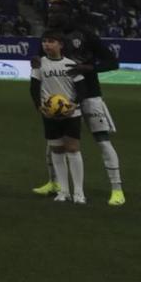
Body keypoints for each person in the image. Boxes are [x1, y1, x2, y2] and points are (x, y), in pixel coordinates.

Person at [37, 0, 123, 206]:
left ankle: (117, 190)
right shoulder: (50, 38)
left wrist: (90, 67)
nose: (51, 15)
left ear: (67, 13)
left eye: (55, 11)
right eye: (49, 11)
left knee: (102, 140)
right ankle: (54, 183)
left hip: (90, 94)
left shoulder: (85, 34)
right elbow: (43, 64)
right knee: (53, 144)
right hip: (61, 99)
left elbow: (112, 62)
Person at [31, 30, 86, 205]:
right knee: (57, 150)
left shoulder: (71, 64)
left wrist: (74, 105)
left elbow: (82, 88)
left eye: (51, 41)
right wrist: (40, 108)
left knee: (73, 148)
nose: (46, 44)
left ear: (60, 45)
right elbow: (34, 87)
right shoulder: (39, 64)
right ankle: (63, 191)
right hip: (50, 113)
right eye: (44, 41)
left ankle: (79, 192)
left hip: (71, 113)